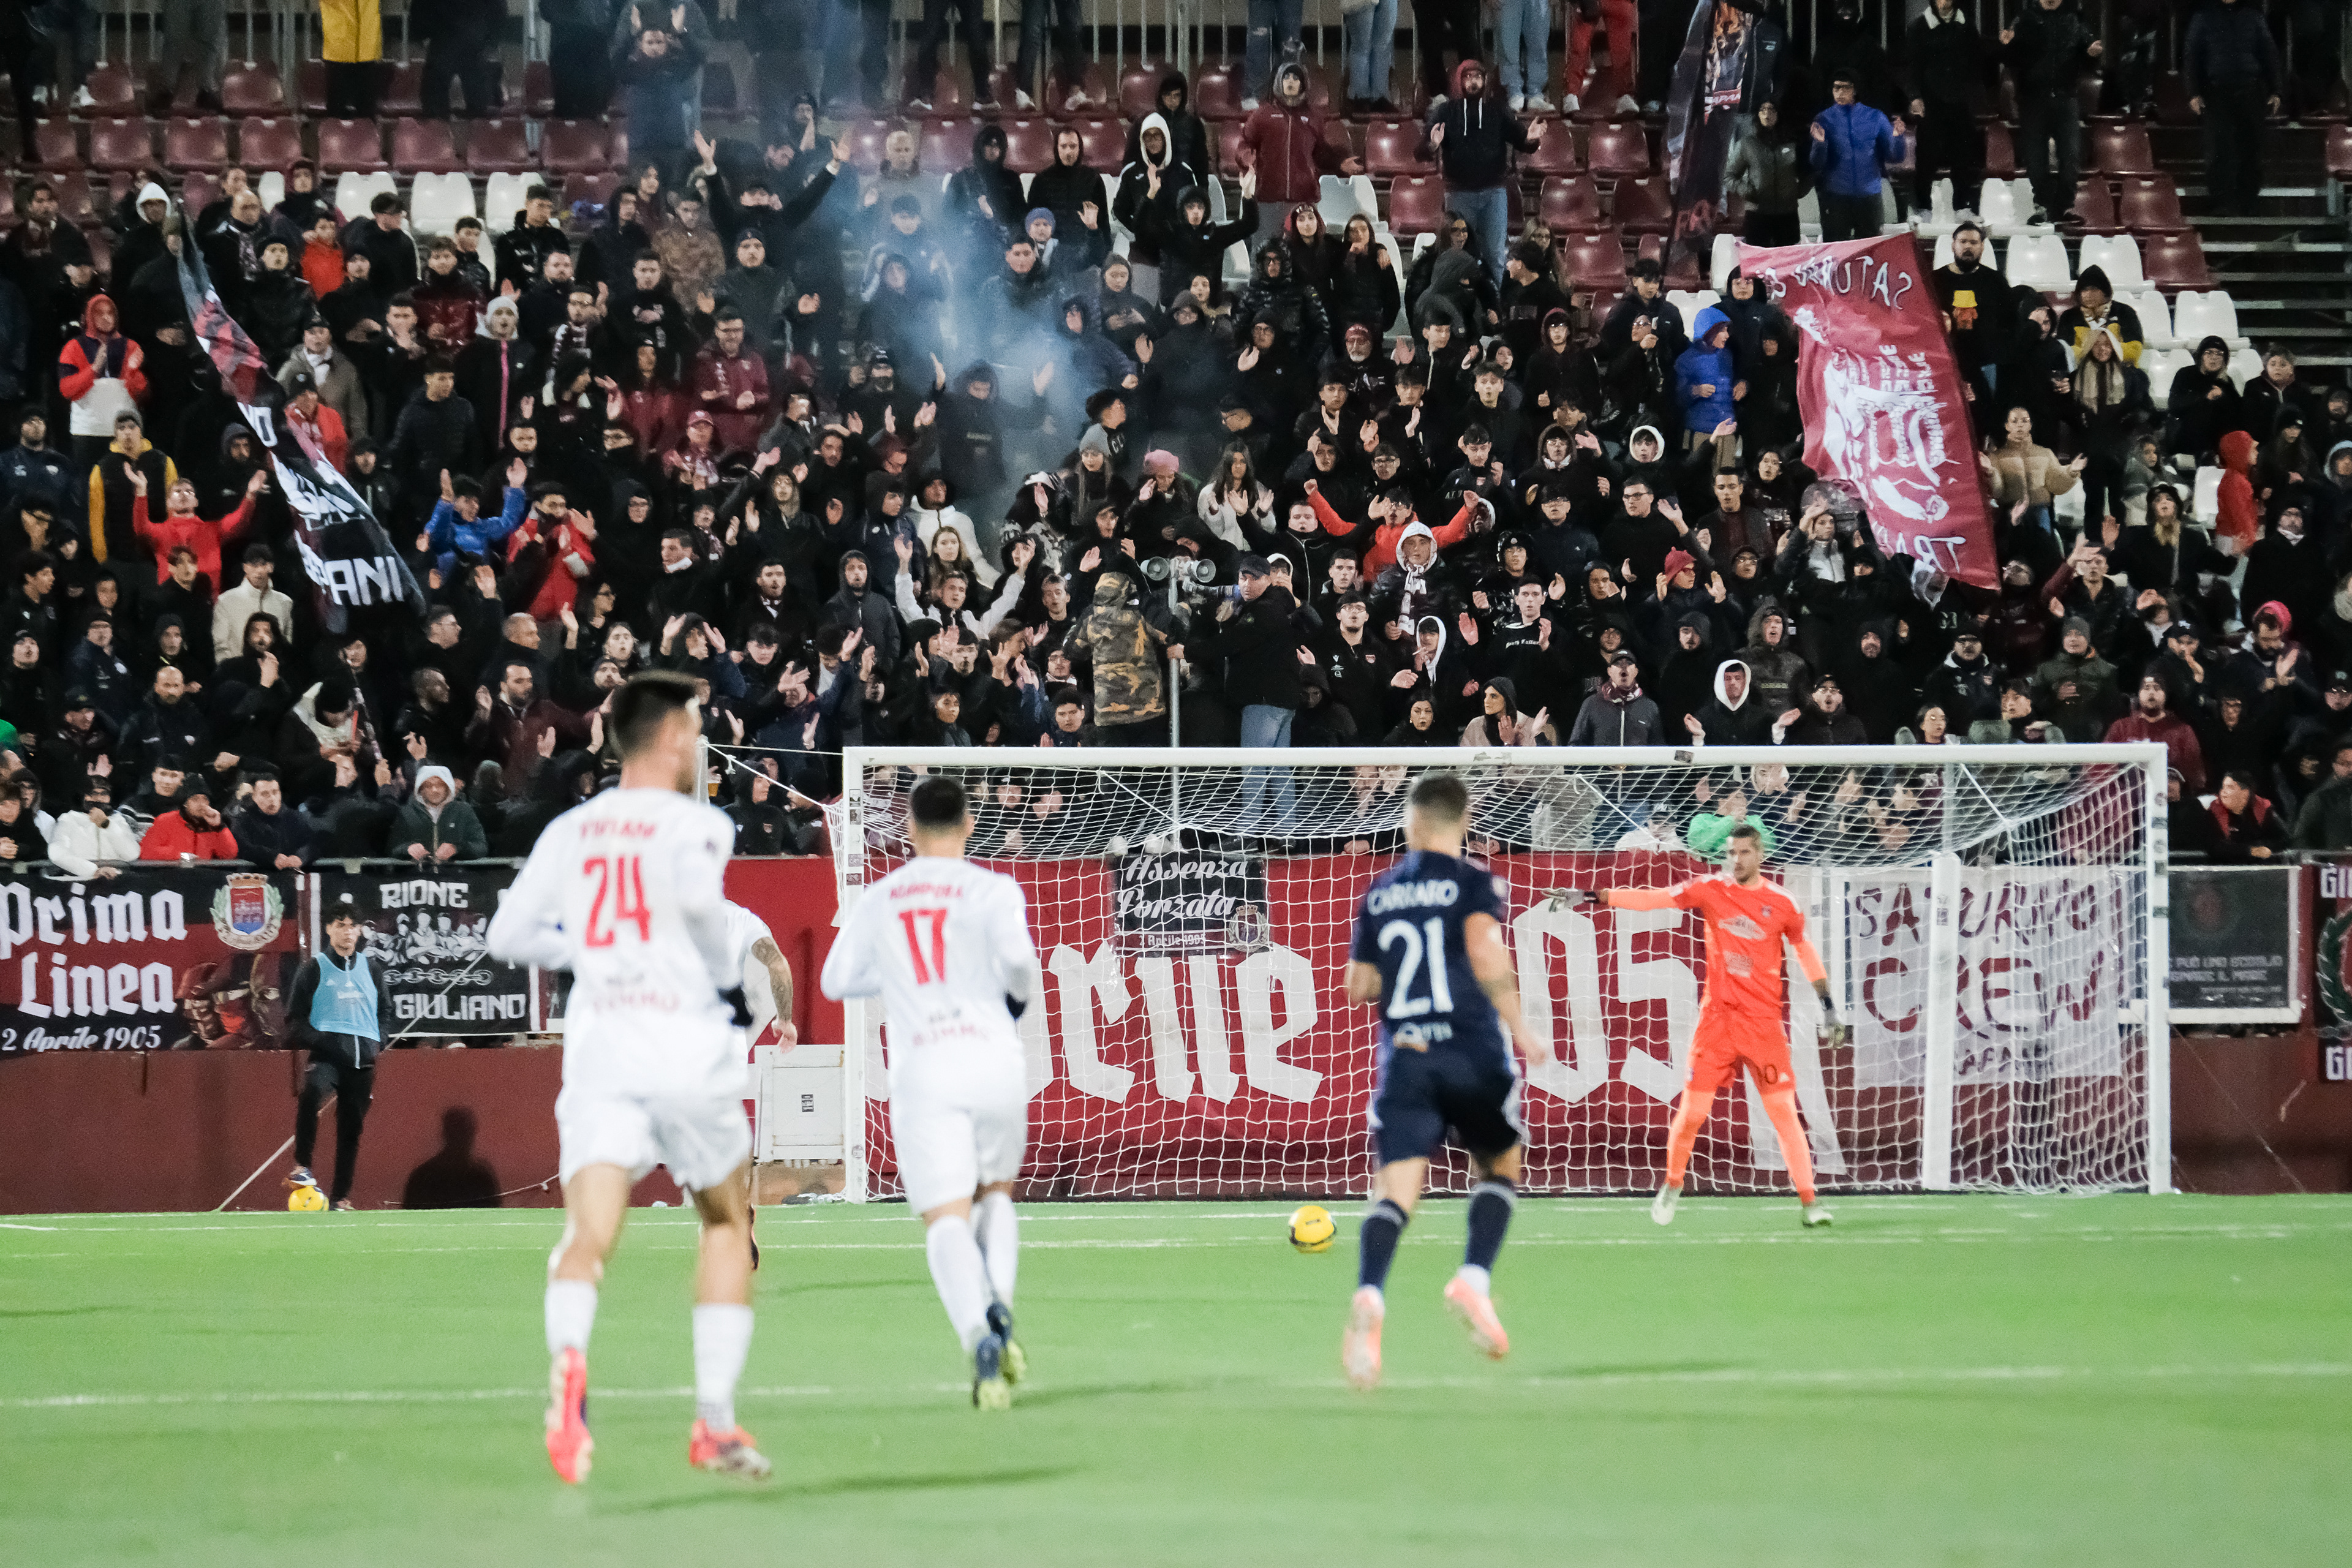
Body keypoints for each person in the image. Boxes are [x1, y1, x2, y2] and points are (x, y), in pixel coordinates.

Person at [486, 671, 771, 1483]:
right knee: (724, 1222)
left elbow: (508, 934)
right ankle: (714, 1422)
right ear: (676, 736)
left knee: (588, 1236)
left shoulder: (571, 832)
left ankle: (569, 1365)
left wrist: (587, 949)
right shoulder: (701, 828)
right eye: (698, 726)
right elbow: (704, 930)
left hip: (604, 1048)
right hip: (683, 1044)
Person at [819, 775, 1039, 1408]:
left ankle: (979, 1334)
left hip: (926, 1068)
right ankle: (1000, 1300)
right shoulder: (995, 889)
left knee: (946, 1215)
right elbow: (1022, 964)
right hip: (994, 1057)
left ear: (909, 830)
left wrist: (897, 979)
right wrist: (1012, 1000)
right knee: (994, 1193)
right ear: (970, 824)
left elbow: (836, 981)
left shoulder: (883, 897)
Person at [1338, 770, 1533, 1392]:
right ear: (1464, 822)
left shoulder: (1380, 892)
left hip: (1407, 1058)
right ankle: (1473, 1278)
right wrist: (1522, 1026)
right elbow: (1484, 951)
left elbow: (1359, 987)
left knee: (1395, 1193)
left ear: (1412, 824)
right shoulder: (1475, 883)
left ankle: (1371, 1293)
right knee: (1501, 1163)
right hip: (1471, 1050)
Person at [1559, 821, 1842, 1227]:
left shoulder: (1782, 902)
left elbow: (1805, 951)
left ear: (1760, 855)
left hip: (1763, 1026)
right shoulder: (1711, 889)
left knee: (1783, 1112)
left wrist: (1828, 1006)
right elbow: (1654, 899)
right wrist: (1594, 896)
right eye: (1731, 852)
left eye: (1745, 852)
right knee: (1692, 1113)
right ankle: (1673, 1185)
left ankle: (1810, 1202)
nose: (1737, 860)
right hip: (1717, 1023)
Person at [285, 894, 395, 1210]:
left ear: (360, 931)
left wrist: (379, 1041)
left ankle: (341, 1198)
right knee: (312, 1092)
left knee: (351, 1129)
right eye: (341, 925)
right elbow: (294, 1019)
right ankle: (302, 1166)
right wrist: (322, 1041)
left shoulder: (371, 970)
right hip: (328, 1056)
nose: (348, 932)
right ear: (329, 930)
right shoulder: (314, 969)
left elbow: (386, 1011)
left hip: (364, 1061)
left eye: (353, 926)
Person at [2182, 0, 2282, 219]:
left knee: (2252, 150)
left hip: (2251, 90)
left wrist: (2276, 90)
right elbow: (2192, 56)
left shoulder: (2254, 17)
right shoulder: (2202, 17)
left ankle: (2249, 202)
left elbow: (2269, 53)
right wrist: (2192, 93)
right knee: (2218, 150)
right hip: (2216, 92)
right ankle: (2222, 203)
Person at [1809, 68, 1906, 243]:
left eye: (1845, 88)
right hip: (1836, 196)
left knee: (1869, 251)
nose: (1840, 93)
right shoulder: (1824, 119)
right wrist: (1820, 144)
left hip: (1869, 196)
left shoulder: (1875, 117)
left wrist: (1898, 139)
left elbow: (1895, 157)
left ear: (1855, 90)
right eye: (1836, 88)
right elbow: (1817, 163)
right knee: (1836, 251)